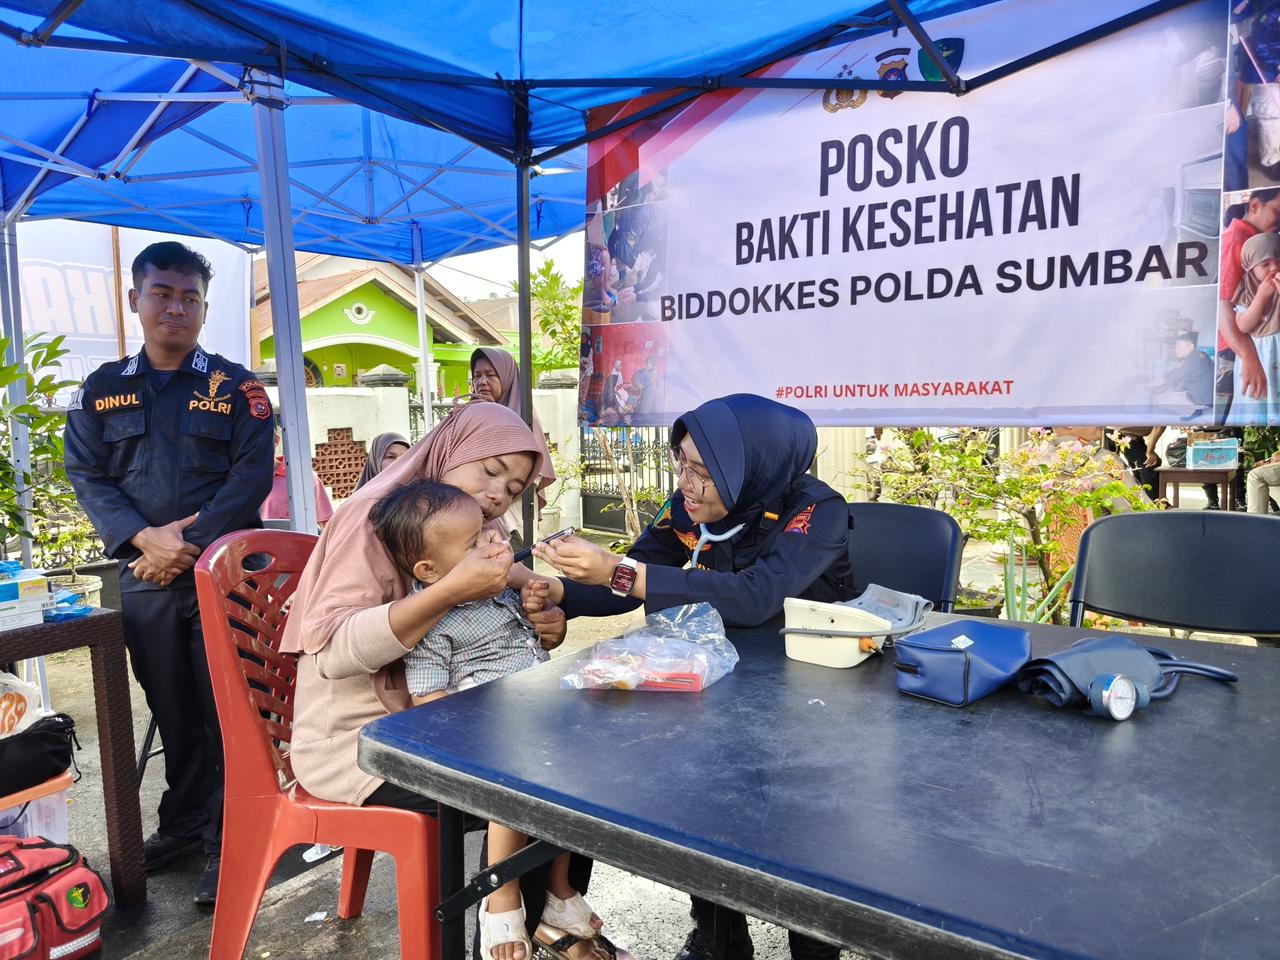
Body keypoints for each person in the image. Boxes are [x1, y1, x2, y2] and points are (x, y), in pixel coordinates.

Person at [532, 393, 853, 960]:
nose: (685, 483)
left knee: (801, 823)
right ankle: (716, 933)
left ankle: (815, 945)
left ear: (749, 467)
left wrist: (624, 573)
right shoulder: (688, 508)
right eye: (680, 463)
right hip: (721, 675)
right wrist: (561, 592)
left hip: (814, 689)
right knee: (702, 800)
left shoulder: (815, 509)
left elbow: (757, 598)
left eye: (703, 471)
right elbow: (632, 574)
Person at [278, 402, 594, 954]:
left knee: (582, 759)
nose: (499, 493)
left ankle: (548, 920)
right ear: (448, 452)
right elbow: (333, 653)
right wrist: (449, 593)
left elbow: (509, 617)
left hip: (450, 717)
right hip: (361, 742)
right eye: (489, 470)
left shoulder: (478, 530)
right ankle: (505, 928)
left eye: (514, 486)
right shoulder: (372, 519)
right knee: (543, 783)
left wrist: (543, 620)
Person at [64, 241, 275, 904]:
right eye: (162, 293)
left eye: (189, 298)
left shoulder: (238, 388)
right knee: (172, 708)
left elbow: (251, 476)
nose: (175, 308)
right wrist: (141, 540)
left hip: (220, 576)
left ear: (205, 309)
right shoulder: (102, 391)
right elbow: (86, 472)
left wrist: (189, 544)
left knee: (226, 711)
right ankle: (183, 825)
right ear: (136, 299)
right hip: (144, 580)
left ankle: (226, 839)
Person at [372, 480, 622, 960]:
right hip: (488, 725)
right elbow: (428, 696)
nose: (497, 542)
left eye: (490, 532)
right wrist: (473, 732)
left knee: (583, 764)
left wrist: (539, 610)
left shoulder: (499, 594)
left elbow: (533, 644)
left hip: (536, 710)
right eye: (475, 543)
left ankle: (557, 886)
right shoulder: (434, 621)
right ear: (430, 570)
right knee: (518, 776)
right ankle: (500, 895)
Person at [468, 348, 556, 548]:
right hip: (474, 520)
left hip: (511, 520)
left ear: (506, 378)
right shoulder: (472, 415)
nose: (482, 382)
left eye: (491, 375)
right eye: (477, 376)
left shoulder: (522, 418)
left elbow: (531, 473)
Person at [1216, 189, 1280, 422]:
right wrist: (1249, 358)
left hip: (1262, 351)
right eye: (1277, 210)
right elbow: (1224, 309)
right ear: (1254, 205)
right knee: (1257, 412)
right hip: (1245, 350)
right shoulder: (1237, 242)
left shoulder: (1265, 240)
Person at [1228, 232, 1280, 423]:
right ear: (1251, 268)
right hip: (1259, 354)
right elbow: (1243, 325)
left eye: (1278, 260)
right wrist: (1261, 297)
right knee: (1259, 399)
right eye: (1265, 264)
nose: (1274, 267)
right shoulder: (1247, 290)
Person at [259, 424, 335, 530]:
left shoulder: (303, 477)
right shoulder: (239, 481)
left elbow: (326, 526)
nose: (256, 445)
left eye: (261, 438)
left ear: (276, 440)